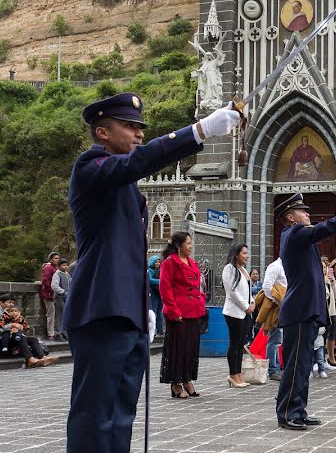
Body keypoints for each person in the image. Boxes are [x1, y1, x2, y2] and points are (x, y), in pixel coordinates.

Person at [64, 91, 240, 452]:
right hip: (100, 309)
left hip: (124, 310)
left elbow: (129, 253)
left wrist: (139, 304)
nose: (139, 133)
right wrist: (200, 130)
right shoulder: (91, 168)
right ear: (102, 133)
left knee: (121, 412)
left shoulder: (123, 181)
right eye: (129, 126)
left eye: (140, 127)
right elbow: (135, 163)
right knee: (95, 414)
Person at [275, 193, 336, 430]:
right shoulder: (294, 233)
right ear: (290, 217)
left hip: (305, 310)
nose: (308, 213)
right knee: (296, 365)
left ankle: (298, 409)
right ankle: (288, 411)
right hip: (299, 311)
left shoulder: (300, 238)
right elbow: (325, 228)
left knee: (303, 364)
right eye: (303, 211)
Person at [158, 232, 206, 399]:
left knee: (190, 348)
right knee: (178, 348)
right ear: (179, 246)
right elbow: (165, 288)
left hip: (193, 311)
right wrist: (173, 311)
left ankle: (187, 378)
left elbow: (198, 286)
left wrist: (201, 301)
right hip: (178, 312)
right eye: (188, 243)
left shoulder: (192, 262)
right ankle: (175, 383)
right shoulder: (170, 262)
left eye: (191, 243)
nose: (190, 246)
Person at [0, 294, 57, 368]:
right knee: (22, 339)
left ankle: (43, 357)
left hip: (11, 336)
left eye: (12, 303)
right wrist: (12, 325)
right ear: (1, 303)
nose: (11, 304)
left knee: (33, 339)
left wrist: (19, 327)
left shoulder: (12, 312)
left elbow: (20, 325)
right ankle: (30, 359)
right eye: (9, 302)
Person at [222, 243, 255, 388]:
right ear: (236, 254)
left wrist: (252, 302)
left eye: (247, 253)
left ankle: (238, 373)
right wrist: (246, 306)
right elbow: (232, 292)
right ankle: (232, 374)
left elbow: (247, 290)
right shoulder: (229, 269)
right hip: (234, 312)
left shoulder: (243, 270)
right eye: (244, 253)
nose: (247, 256)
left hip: (245, 313)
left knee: (241, 344)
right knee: (234, 344)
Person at [256, 258, 287, 380]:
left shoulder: (284, 266)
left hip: (281, 308)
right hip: (276, 308)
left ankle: (277, 368)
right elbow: (267, 287)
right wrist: (277, 301)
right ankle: (273, 370)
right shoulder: (275, 267)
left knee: (278, 340)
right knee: (274, 340)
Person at [40, 252, 60, 340]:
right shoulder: (48, 267)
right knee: (50, 314)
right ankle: (50, 334)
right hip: (49, 294)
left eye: (58, 258)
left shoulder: (55, 268)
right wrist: (51, 291)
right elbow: (45, 280)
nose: (57, 260)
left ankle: (56, 331)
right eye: (56, 258)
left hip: (55, 295)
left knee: (56, 314)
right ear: (51, 259)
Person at [51, 258, 71, 341]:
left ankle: (65, 332)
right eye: (63, 265)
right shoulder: (57, 274)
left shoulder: (67, 274)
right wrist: (63, 292)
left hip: (67, 297)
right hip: (59, 297)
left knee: (65, 315)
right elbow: (54, 286)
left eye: (66, 265)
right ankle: (58, 333)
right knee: (59, 315)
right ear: (59, 266)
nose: (65, 267)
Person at [148, 256, 164, 336]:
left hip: (159, 293)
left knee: (160, 312)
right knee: (154, 312)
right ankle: (153, 331)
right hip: (153, 294)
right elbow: (150, 280)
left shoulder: (161, 270)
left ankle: (160, 330)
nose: (158, 263)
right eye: (156, 262)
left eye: (159, 262)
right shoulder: (149, 270)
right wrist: (161, 281)